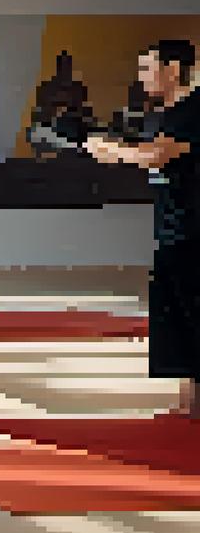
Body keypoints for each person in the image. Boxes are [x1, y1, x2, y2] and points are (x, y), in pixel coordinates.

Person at [83, 39, 200, 417]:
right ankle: (189, 400)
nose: (142, 76)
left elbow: (157, 155)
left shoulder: (194, 109)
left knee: (193, 312)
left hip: (194, 228)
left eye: (148, 68)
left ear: (173, 70)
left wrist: (110, 150)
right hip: (171, 225)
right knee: (178, 316)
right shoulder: (162, 113)